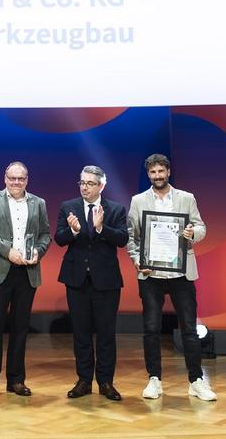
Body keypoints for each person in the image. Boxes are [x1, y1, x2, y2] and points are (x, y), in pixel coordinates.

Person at [127, 154, 217, 401]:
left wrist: (192, 232)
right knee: (151, 329)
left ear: (169, 172)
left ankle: (196, 381)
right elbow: (132, 237)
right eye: (153, 172)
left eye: (161, 171)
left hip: (181, 273)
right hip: (151, 274)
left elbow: (201, 227)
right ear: (148, 174)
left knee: (189, 329)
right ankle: (154, 379)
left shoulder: (186, 198)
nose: (157, 176)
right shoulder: (138, 201)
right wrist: (137, 260)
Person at [0, 161, 51, 399]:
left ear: (27, 180)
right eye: (12, 178)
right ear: (5, 178)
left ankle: (16, 380)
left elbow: (45, 234)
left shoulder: (38, 203)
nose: (16, 182)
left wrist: (39, 250)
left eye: (21, 178)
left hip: (27, 271)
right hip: (0, 268)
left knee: (20, 328)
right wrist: (7, 251)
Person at [55, 165, 128, 401]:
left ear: (101, 186)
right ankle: (84, 380)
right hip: (76, 279)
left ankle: (105, 382)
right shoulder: (68, 206)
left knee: (106, 334)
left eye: (90, 183)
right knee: (81, 333)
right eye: (82, 182)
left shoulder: (115, 209)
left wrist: (100, 228)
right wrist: (74, 231)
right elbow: (59, 238)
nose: (84, 187)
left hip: (106, 281)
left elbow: (122, 239)